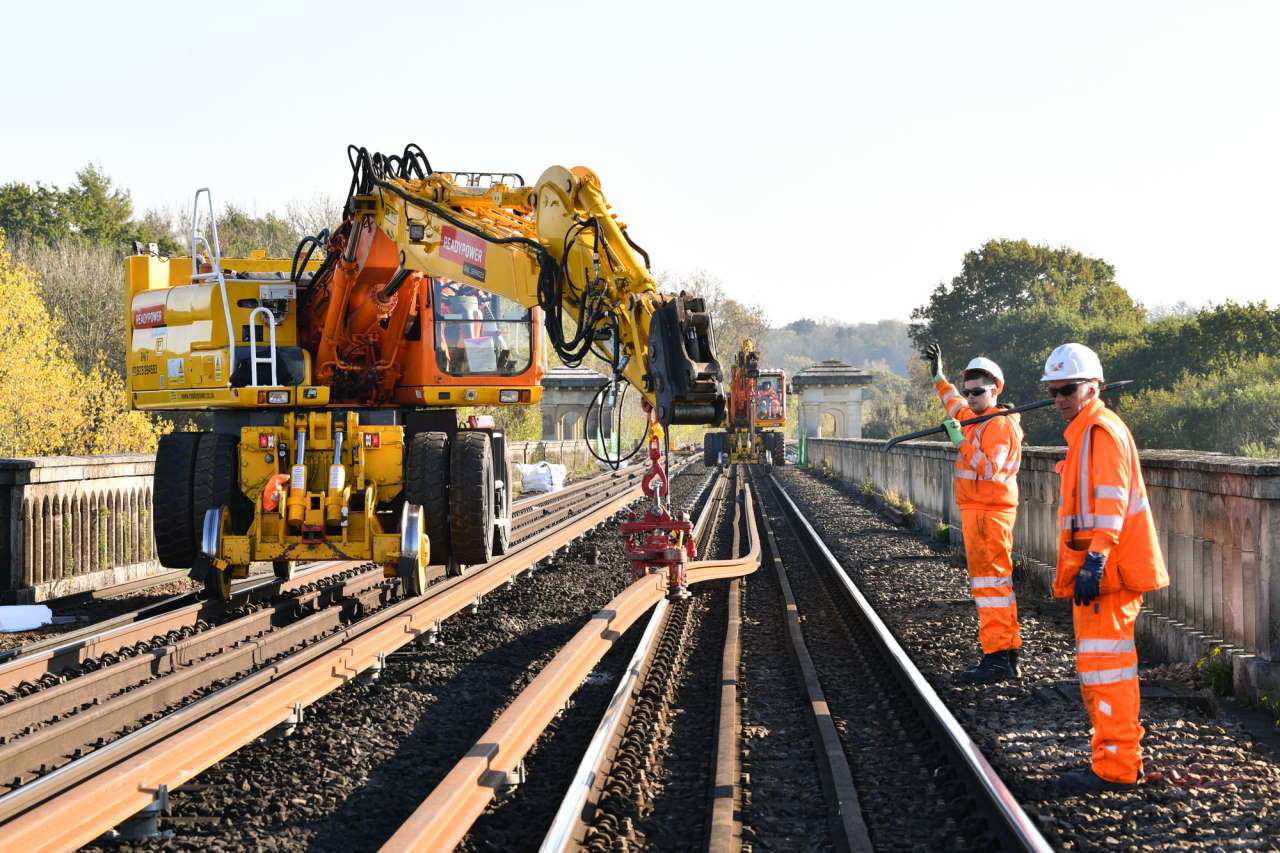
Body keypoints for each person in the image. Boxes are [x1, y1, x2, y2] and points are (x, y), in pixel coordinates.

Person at [1042, 342, 1168, 793]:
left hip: (1107, 574)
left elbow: (1111, 503)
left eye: (1068, 389)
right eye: (1054, 390)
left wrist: (1095, 559)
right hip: (1098, 573)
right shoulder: (1086, 432)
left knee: (1107, 671)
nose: (1059, 398)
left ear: (1093, 387)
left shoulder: (1100, 432)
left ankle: (1116, 767)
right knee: (1101, 669)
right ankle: (1113, 759)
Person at [925, 344, 1023, 684]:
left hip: (990, 514)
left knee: (990, 586)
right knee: (996, 585)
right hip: (978, 512)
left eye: (978, 392)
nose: (970, 397)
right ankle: (1007, 654)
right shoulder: (973, 416)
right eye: (968, 392)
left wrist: (960, 444)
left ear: (995, 389)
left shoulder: (1000, 425)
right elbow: (952, 402)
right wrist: (939, 377)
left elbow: (990, 469)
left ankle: (997, 658)